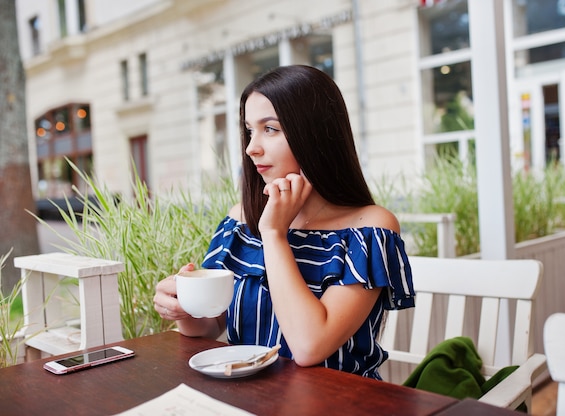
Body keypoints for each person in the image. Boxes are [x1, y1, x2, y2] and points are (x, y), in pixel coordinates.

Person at [153, 65, 415, 379]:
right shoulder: (240, 219)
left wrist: (274, 234)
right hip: (250, 397)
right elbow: (211, 326)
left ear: (315, 134)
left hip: (339, 402)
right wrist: (185, 309)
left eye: (271, 129)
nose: (252, 147)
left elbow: (309, 347)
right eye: (250, 130)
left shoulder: (369, 229)